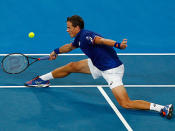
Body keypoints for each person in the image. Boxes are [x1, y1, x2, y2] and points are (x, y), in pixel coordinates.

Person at [25, 15, 173, 119]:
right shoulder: (78, 38)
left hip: (112, 71)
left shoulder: (86, 35)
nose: (67, 30)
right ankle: (42, 80)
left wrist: (118, 45)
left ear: (77, 27)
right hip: (97, 64)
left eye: (69, 27)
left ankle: (162, 108)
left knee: (125, 103)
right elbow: (69, 47)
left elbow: (101, 40)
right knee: (71, 66)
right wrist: (55, 51)